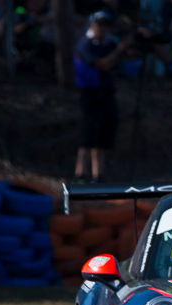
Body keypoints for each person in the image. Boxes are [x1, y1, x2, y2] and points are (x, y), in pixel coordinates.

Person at [73, 10, 132, 183]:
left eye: (105, 25)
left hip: (107, 93)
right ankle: (80, 173)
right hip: (90, 93)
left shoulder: (107, 44)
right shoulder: (85, 44)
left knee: (104, 134)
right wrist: (120, 49)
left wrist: (131, 43)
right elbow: (103, 64)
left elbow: (128, 57)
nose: (102, 28)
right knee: (88, 134)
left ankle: (98, 174)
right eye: (99, 24)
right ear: (92, 24)